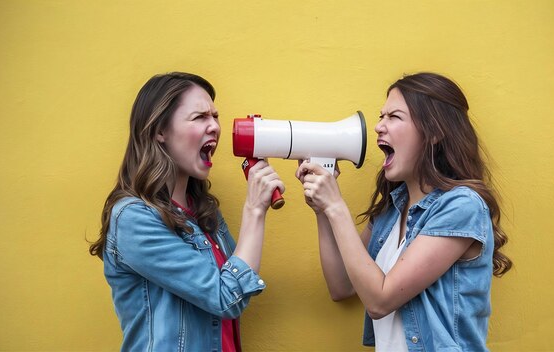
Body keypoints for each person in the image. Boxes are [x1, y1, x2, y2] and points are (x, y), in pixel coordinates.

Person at [296, 72, 512, 351]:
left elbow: (379, 301)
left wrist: (336, 206)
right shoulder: (391, 210)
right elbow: (341, 286)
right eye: (381, 116)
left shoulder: (461, 206)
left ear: (435, 132)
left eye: (394, 117)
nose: (377, 127)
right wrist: (322, 210)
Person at [89, 72, 284, 352]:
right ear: (160, 131)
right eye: (200, 117)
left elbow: (232, 291)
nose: (215, 126)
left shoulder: (205, 213)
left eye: (215, 116)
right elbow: (227, 296)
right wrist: (254, 210)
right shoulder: (133, 218)